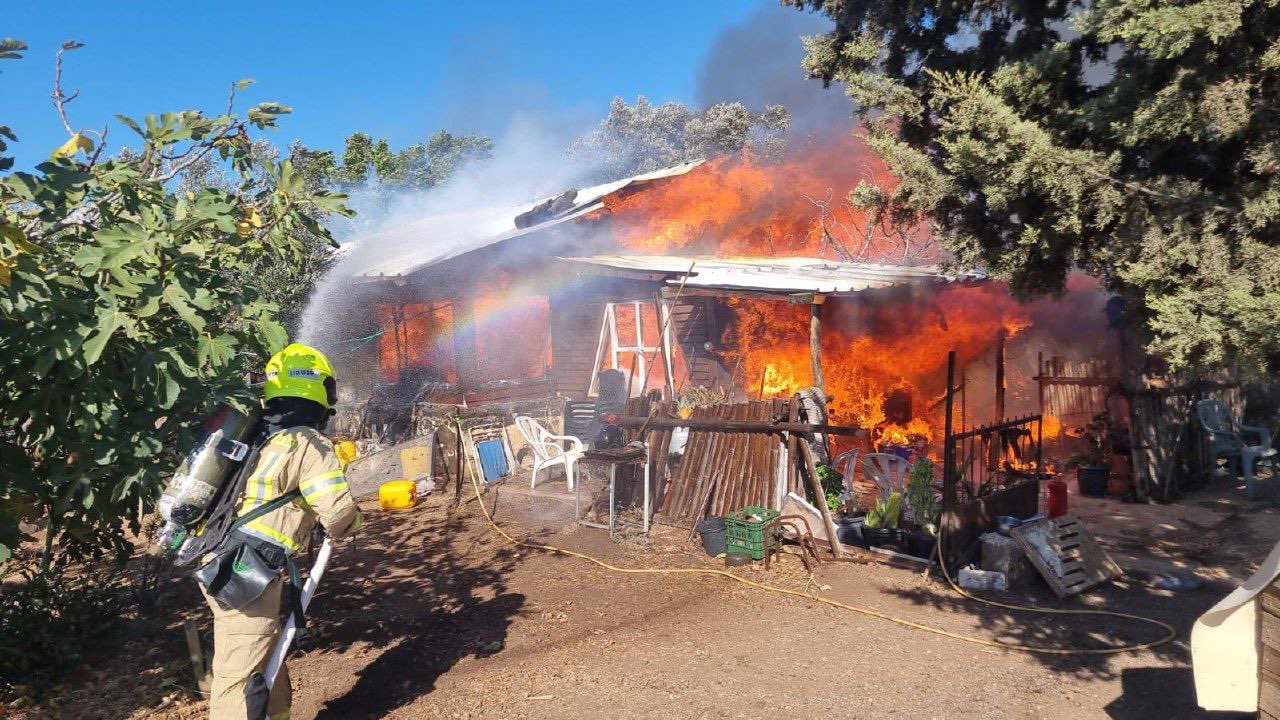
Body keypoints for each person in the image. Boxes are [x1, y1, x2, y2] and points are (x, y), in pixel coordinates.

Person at [199, 343, 362, 720]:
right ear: (321, 391)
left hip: (226, 559)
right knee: (239, 677)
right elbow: (337, 513)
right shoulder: (307, 442)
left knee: (269, 652)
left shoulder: (261, 436)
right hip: (245, 571)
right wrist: (356, 520)